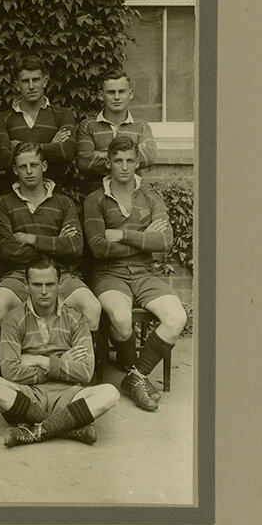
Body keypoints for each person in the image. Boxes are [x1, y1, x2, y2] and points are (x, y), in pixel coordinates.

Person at [83, 134, 187, 411]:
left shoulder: (151, 197)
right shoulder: (95, 200)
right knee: (119, 316)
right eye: (118, 161)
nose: (124, 166)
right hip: (108, 274)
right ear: (109, 163)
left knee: (177, 317)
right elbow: (97, 248)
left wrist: (123, 235)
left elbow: (165, 242)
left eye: (130, 160)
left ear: (138, 162)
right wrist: (143, 239)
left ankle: (135, 376)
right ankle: (135, 374)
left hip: (144, 274)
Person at [0, 256, 119, 447]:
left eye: (50, 284)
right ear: (27, 285)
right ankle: (69, 428)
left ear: (59, 285)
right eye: (37, 284)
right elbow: (10, 372)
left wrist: (42, 361)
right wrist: (62, 362)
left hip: (68, 395)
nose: (44, 291)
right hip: (29, 395)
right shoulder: (13, 319)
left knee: (110, 393)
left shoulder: (76, 319)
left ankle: (36, 431)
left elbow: (86, 373)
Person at [0, 142, 101, 346]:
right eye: (23, 167)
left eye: (34, 164)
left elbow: (75, 246)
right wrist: (57, 242)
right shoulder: (3, 203)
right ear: (15, 170)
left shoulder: (63, 203)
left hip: (60, 275)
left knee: (91, 306)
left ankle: (82, 371)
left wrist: (32, 239)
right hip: (18, 275)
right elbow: (7, 249)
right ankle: (7, 368)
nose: (29, 171)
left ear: (44, 166)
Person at [0, 55, 77, 190]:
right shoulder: (3, 118)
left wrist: (18, 146)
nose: (31, 86)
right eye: (25, 81)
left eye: (36, 80)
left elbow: (67, 151)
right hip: (15, 193)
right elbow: (2, 159)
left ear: (45, 81)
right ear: (17, 85)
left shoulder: (63, 114)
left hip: (56, 192)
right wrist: (50, 146)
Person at [75, 69, 158, 187]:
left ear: (130, 93)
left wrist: (101, 154)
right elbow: (84, 161)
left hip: (132, 194)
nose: (117, 97)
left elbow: (150, 156)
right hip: (96, 194)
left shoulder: (141, 126)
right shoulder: (88, 125)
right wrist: (129, 158)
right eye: (111, 92)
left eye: (122, 91)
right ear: (100, 95)